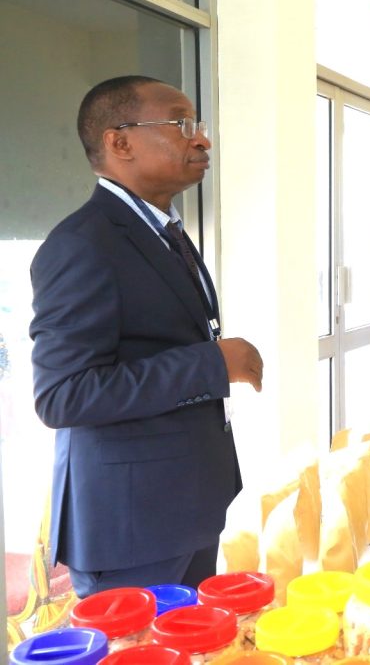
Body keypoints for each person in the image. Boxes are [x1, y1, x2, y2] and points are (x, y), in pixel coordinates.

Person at [29, 75, 263, 598]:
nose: (201, 139)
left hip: (184, 506)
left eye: (198, 125)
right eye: (182, 124)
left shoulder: (162, 230)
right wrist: (213, 364)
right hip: (131, 527)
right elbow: (62, 395)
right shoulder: (84, 244)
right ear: (119, 141)